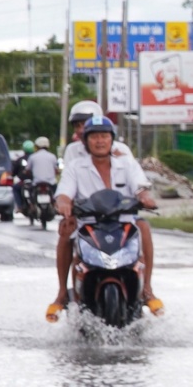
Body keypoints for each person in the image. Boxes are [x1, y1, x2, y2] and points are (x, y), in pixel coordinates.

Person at [49, 115, 161, 322]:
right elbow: (64, 192)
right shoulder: (76, 167)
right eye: (94, 137)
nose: (100, 141)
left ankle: (147, 289)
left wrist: (145, 198)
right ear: (86, 141)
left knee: (144, 227)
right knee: (65, 232)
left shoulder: (127, 163)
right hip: (88, 223)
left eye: (104, 136)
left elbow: (140, 187)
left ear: (112, 139)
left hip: (123, 222)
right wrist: (64, 204)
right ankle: (63, 292)